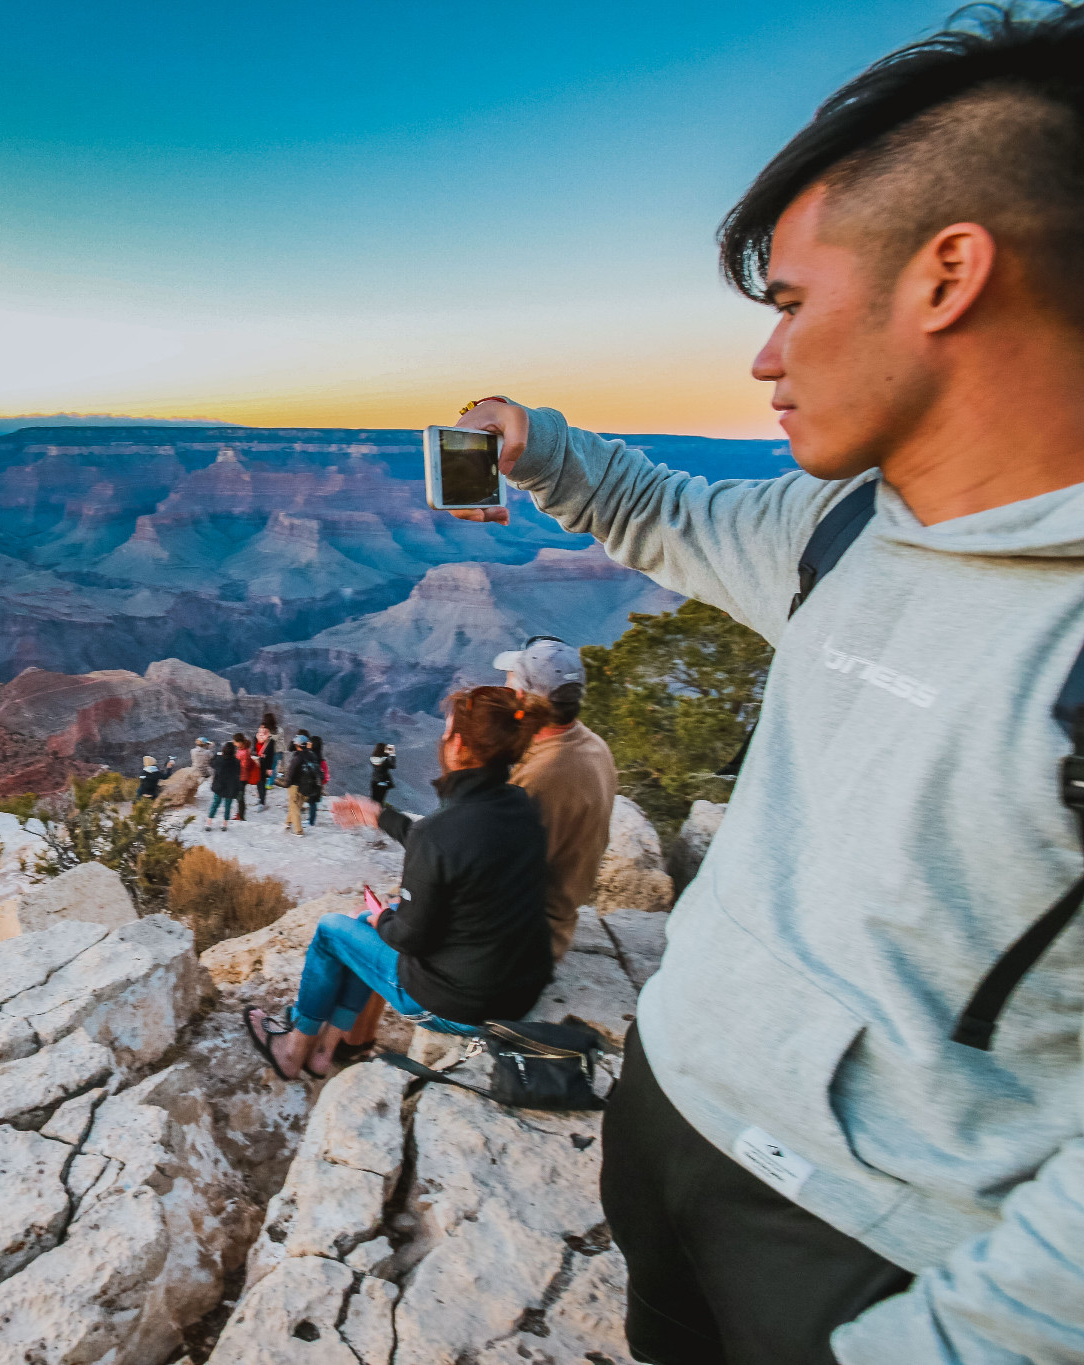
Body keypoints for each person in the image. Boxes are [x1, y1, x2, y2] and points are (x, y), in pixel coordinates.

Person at [443, 10, 1084, 1360]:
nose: (764, 358)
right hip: (669, 1105)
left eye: (790, 303)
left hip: (869, 1241)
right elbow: (659, 504)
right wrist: (532, 443)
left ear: (948, 274)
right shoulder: (843, 527)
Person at [246, 686, 552, 1079]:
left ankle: (293, 1049)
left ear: (457, 745)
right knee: (363, 927)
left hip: (458, 1007)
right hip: (517, 991)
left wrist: (383, 920)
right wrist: (382, 817)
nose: (441, 738)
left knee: (333, 931)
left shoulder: (441, 833)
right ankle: (325, 1050)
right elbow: (457, 850)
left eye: (446, 731)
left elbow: (410, 938)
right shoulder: (521, 807)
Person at [496, 636, 617, 960]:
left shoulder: (540, 778)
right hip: (552, 920)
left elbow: (497, 873)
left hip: (522, 939)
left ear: (522, 697)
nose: (504, 690)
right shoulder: (592, 744)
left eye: (509, 684)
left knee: (361, 930)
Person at [282, 735, 320, 836]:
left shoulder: (297, 757)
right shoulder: (312, 755)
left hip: (295, 786)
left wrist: (287, 783)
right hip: (308, 786)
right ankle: (288, 823)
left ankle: (299, 831)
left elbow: (291, 772)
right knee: (296, 806)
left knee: (294, 806)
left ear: (298, 745)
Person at [206, 738, 245, 830]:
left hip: (219, 786)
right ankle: (224, 825)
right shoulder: (236, 762)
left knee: (215, 804)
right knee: (228, 806)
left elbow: (211, 763)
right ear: (233, 752)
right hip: (230, 788)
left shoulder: (219, 760)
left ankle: (208, 824)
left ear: (224, 750)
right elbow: (238, 775)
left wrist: (216, 755)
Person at [255, 713, 280, 805]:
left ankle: (262, 800)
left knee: (262, 781)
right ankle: (261, 798)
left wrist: (269, 768)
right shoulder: (257, 738)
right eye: (260, 729)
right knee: (259, 782)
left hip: (265, 763)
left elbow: (270, 755)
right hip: (258, 762)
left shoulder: (271, 741)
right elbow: (254, 749)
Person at [238, 735, 263, 812]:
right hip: (254, 774)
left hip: (249, 775)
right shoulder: (248, 752)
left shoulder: (245, 753)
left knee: (242, 793)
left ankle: (241, 811)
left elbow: (245, 765)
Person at [369, 741, 395, 806]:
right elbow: (393, 765)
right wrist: (392, 754)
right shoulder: (385, 761)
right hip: (383, 783)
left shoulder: (372, 758)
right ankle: (379, 814)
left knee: (374, 800)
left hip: (374, 782)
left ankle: (372, 813)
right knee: (380, 801)